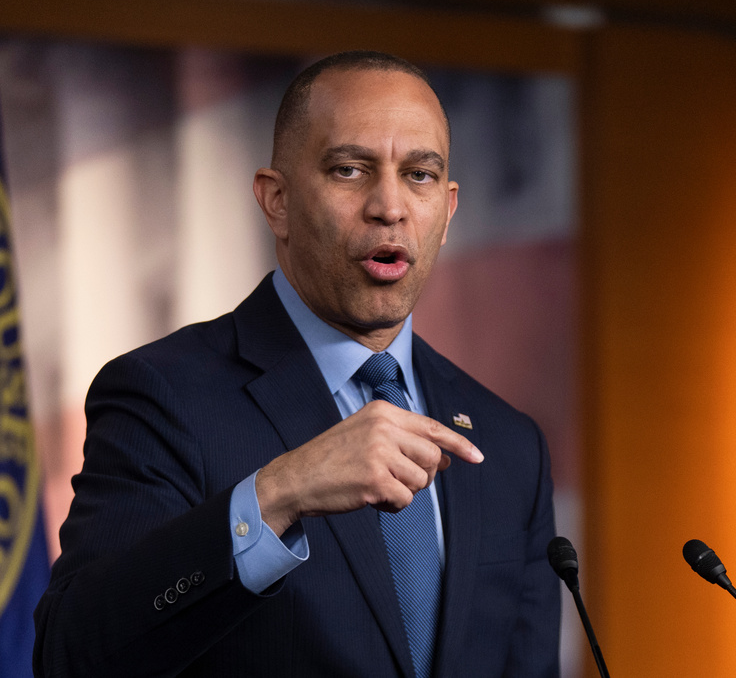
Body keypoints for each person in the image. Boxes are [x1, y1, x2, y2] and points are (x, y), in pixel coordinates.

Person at [33, 50, 560, 677]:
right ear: (276, 201)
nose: (389, 206)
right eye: (349, 170)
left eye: (419, 176)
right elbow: (74, 654)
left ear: (446, 213)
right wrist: (275, 495)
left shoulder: (509, 445)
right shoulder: (162, 396)